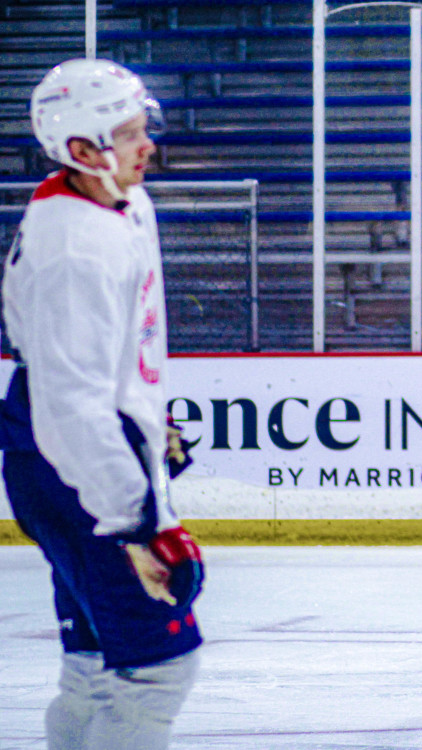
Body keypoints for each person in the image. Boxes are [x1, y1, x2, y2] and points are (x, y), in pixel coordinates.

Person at [2, 58, 204, 749]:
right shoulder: (72, 249)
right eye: (129, 132)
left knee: (93, 666)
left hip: (73, 455)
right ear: (82, 150)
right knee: (158, 671)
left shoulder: (120, 201)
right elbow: (71, 404)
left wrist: (152, 421)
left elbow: (118, 351)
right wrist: (138, 523)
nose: (148, 143)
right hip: (70, 468)